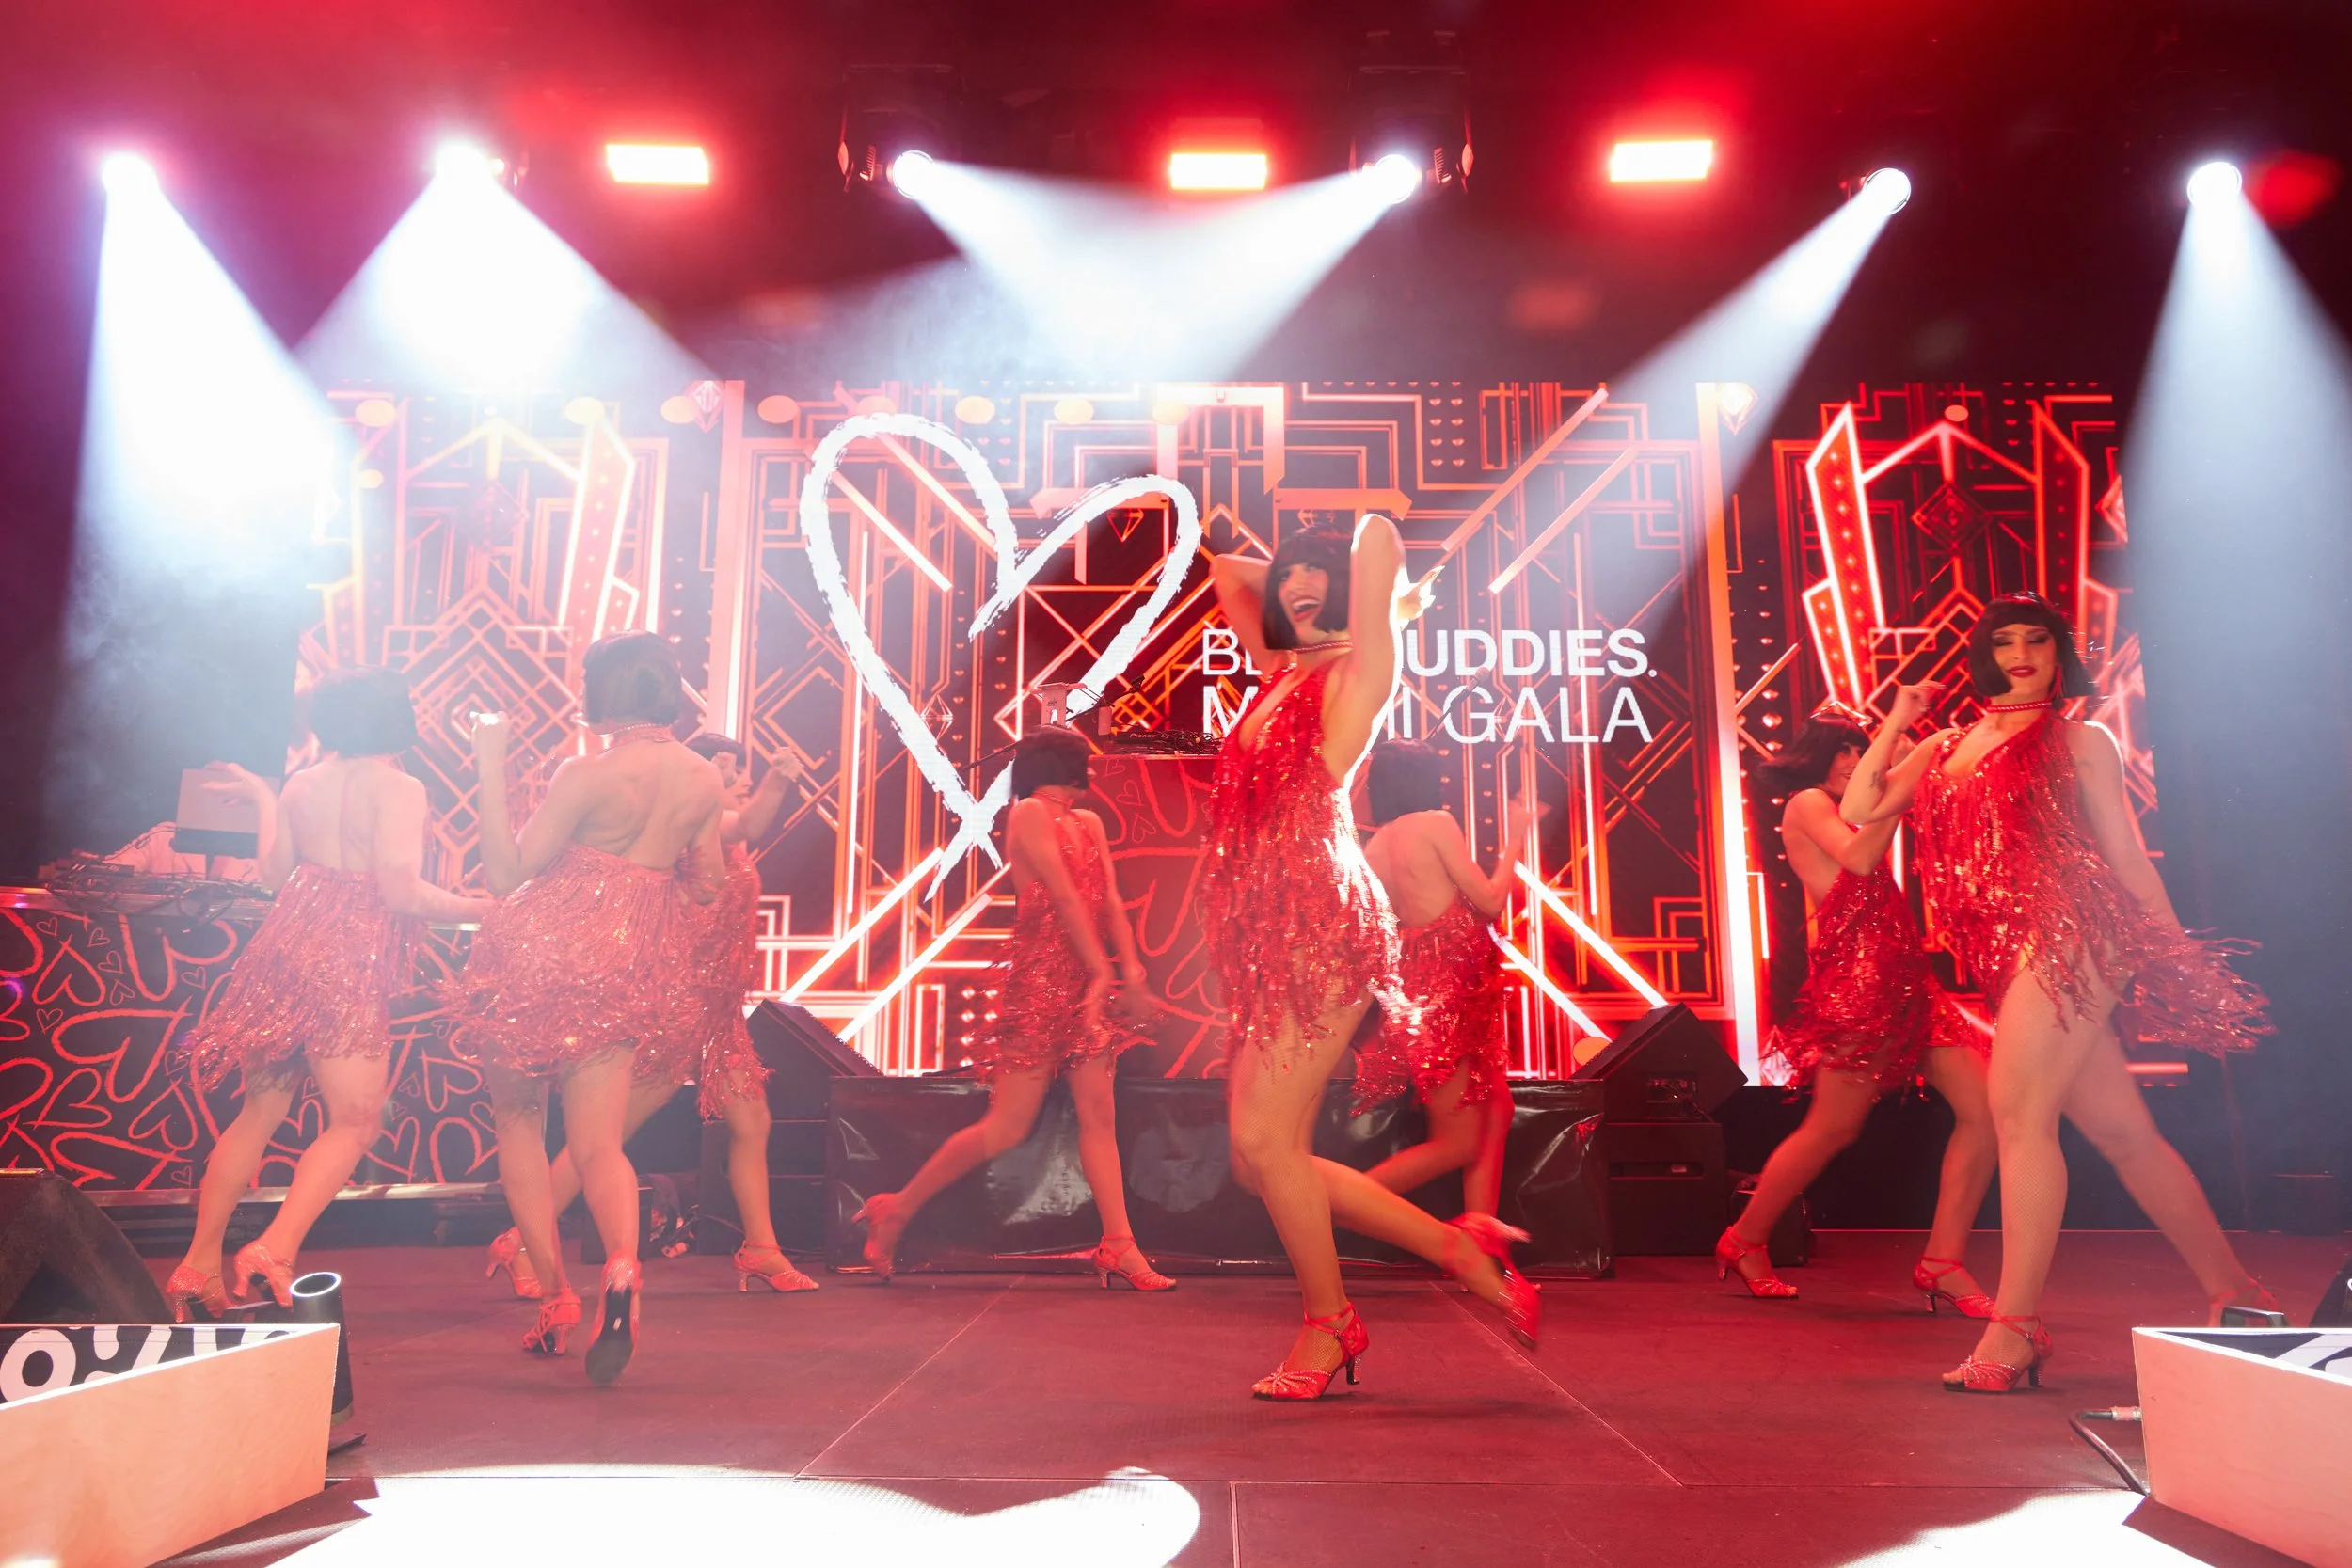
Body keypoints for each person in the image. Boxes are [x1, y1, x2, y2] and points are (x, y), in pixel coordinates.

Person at [1841, 594, 2273, 1392]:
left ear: (2056, 652)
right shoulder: (1944, 744)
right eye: (2003, 641)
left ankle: (2016, 1327)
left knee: (2017, 1113)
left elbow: (2127, 853)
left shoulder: (2081, 738)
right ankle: (2240, 1294)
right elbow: (1860, 807)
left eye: (2035, 640)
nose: (2020, 654)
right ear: (1983, 655)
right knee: (2124, 1135)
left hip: (2078, 932)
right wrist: (1898, 717)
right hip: (2007, 955)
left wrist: (2173, 948)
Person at [1202, 517, 1540, 1402]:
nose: (1297, 584)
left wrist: (1375, 601)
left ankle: (1331, 1321)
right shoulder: (1279, 672)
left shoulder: (1360, 670)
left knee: (1263, 1139)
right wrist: (1289, 576)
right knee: (1256, 1159)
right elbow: (1229, 569)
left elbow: (1380, 536)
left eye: (1319, 573)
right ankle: (1458, 1247)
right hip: (1267, 934)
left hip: (1323, 922)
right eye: (1291, 575)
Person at [446, 632, 725, 1386]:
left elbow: (506, 872)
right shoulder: (703, 777)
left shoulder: (587, 772)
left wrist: (488, 762)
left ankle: (556, 1295)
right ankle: (624, 1263)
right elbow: (708, 885)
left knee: (519, 1120)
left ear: (603, 691)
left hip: (537, 956)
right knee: (599, 1143)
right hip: (625, 965)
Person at [167, 668, 488, 1323]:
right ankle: (275, 1247)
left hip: (284, 952)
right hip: (346, 961)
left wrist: (265, 799)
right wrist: (485, 909)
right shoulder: (400, 787)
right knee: (357, 1119)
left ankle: (197, 1264)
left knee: (258, 1113)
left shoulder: (304, 782)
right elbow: (400, 891)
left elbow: (274, 876)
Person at [485, 736, 818, 1298]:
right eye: (731, 769)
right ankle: (520, 1239)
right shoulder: (688, 834)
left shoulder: (712, 833)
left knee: (751, 1121)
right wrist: (776, 780)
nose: (740, 779)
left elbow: (745, 831)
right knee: (603, 1140)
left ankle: (761, 1246)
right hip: (675, 1005)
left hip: (718, 1009)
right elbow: (746, 825)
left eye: (743, 771)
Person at [852, 727, 1172, 1291]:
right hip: (1041, 982)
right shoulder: (1028, 813)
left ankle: (1119, 1244)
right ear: (1067, 765)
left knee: (1100, 1115)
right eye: (1084, 759)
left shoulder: (1088, 822)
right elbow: (1063, 895)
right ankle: (896, 1207)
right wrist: (1104, 971)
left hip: (1087, 982)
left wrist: (1131, 970)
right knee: (1006, 1126)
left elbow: (1109, 899)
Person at [1716, 705, 1996, 1307]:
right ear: (1817, 756)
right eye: (1842, 750)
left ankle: (1943, 1261)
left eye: (1857, 750)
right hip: (1859, 982)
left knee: (1987, 1111)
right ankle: (1744, 1237)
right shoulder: (1807, 803)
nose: (1851, 762)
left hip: (1908, 979)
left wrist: (1907, 770)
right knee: (1833, 1126)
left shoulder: (1858, 806)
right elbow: (1860, 858)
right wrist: (1898, 777)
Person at [1353, 740, 1544, 1219]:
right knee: (1457, 1143)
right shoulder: (1435, 823)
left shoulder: (1375, 846)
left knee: (1497, 1110)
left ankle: (1481, 1240)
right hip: (1453, 995)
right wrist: (1517, 836)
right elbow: (1490, 902)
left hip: (1424, 995)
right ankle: (1335, 1202)